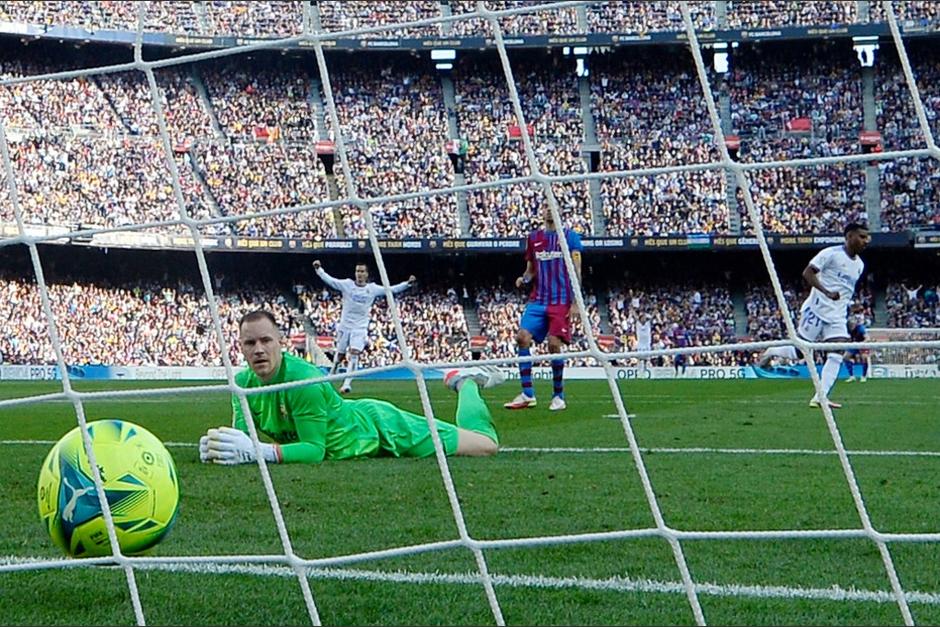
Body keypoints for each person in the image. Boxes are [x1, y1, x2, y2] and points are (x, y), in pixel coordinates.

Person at [199, 311, 504, 465]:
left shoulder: (303, 381)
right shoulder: (241, 384)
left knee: (485, 445)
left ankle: (465, 383)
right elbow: (244, 439)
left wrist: (259, 452)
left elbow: (314, 451)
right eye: (250, 343)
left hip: (378, 428)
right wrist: (220, 447)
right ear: (240, 347)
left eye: (266, 340)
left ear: (281, 342)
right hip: (356, 437)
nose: (259, 349)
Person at [758, 222, 871, 408]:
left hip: (837, 316)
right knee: (798, 352)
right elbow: (807, 273)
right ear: (849, 236)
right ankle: (771, 352)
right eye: (862, 236)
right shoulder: (831, 254)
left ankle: (820, 396)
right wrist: (826, 292)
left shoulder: (859, 265)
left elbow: (845, 290)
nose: (866, 241)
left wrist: (850, 306)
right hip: (816, 309)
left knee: (837, 353)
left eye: (867, 237)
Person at [504, 205, 583, 412]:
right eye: (546, 208)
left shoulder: (570, 237)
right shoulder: (533, 238)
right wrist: (525, 278)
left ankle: (558, 396)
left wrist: (575, 302)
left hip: (561, 300)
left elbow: (577, 268)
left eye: (553, 208)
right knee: (522, 337)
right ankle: (528, 393)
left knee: (553, 344)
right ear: (542, 212)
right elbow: (531, 270)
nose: (549, 211)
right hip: (538, 299)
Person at [312, 260, 416, 393]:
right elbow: (331, 281)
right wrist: (319, 269)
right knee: (340, 355)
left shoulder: (372, 289)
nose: (359, 274)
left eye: (362, 271)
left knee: (355, 353)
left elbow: (390, 290)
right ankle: (332, 373)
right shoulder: (347, 285)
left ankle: (347, 383)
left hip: (359, 327)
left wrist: (407, 284)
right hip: (345, 325)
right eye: (357, 271)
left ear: (367, 274)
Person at [843, 313, 871, 383]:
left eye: (852, 324)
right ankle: (852, 376)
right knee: (845, 357)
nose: (851, 326)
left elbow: (867, 338)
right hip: (855, 344)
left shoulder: (860, 328)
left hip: (862, 344)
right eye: (850, 324)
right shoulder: (848, 329)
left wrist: (862, 344)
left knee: (864, 358)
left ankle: (864, 376)